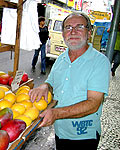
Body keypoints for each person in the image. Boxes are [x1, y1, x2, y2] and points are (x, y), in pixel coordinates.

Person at [29, 12, 110, 150]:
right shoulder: (61, 59)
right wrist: (44, 86)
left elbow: (93, 104)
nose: (73, 32)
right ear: (63, 33)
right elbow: (51, 83)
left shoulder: (99, 62)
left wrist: (55, 113)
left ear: (89, 33)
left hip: (83, 136)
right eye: (68, 27)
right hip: (60, 131)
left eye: (79, 27)